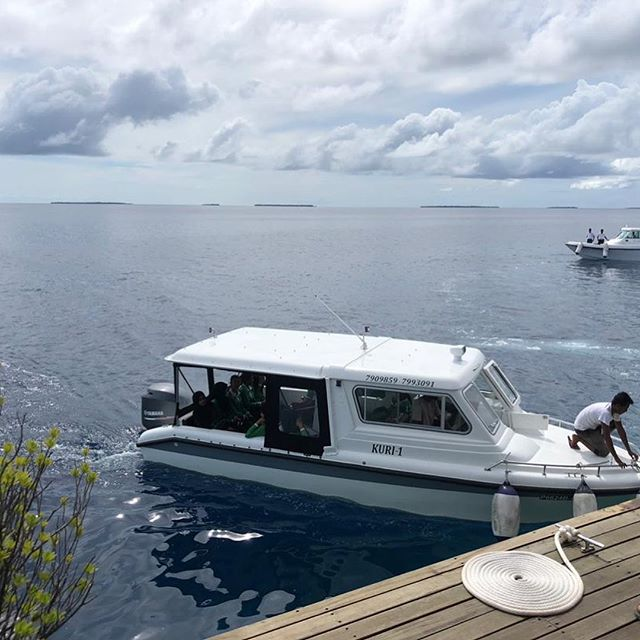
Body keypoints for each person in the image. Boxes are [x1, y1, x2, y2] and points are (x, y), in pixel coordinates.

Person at [567, 392, 638, 468]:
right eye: (625, 408)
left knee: (614, 424)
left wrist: (629, 451)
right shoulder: (605, 413)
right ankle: (578, 438)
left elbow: (621, 431)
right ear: (617, 406)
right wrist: (617, 459)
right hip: (582, 430)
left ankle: (598, 437)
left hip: (593, 426)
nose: (626, 410)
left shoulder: (614, 410)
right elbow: (608, 438)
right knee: (603, 453)